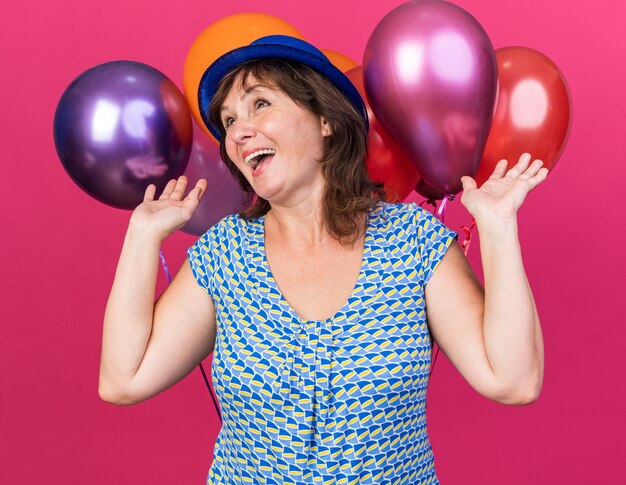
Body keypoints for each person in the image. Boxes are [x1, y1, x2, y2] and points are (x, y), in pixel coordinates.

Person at [99, 35, 546, 484]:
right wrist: (142, 235)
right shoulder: (225, 253)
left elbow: (513, 381)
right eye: (229, 119)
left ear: (325, 119)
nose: (237, 131)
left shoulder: (412, 242)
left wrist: (498, 226)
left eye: (259, 105)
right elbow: (124, 380)